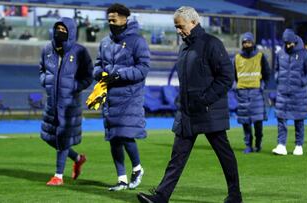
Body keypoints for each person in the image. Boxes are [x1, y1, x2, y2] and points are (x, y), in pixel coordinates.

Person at [137, 6, 242, 203]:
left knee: (224, 155)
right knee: (177, 156)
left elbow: (226, 77)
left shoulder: (212, 43)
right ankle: (161, 197)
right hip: (187, 111)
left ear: (193, 22)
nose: (178, 31)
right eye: (176, 27)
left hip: (209, 110)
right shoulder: (184, 46)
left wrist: (204, 99)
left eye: (180, 26)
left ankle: (235, 196)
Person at [93, 3, 150, 191]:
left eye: (114, 19)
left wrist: (118, 74)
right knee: (114, 138)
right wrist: (101, 75)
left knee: (125, 135)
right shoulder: (105, 43)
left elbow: (142, 69)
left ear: (125, 19)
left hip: (130, 96)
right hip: (110, 97)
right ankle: (122, 179)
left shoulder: (137, 41)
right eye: (109, 20)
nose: (111, 23)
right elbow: (97, 65)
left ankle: (138, 168)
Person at [39, 17, 93, 185]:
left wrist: (75, 86)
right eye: (58, 29)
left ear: (71, 32)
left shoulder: (80, 51)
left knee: (62, 137)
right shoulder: (47, 49)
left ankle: (58, 176)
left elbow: (88, 75)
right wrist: (45, 81)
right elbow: (42, 69)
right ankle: (77, 158)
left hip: (70, 103)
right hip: (52, 102)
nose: (60, 32)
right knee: (49, 137)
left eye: (64, 30)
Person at [272, 29, 307, 156]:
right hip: (283, 92)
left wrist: (301, 82)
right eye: (286, 43)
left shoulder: (305, 54)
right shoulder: (280, 53)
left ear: (295, 41)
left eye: (290, 43)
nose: (288, 45)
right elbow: (276, 69)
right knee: (281, 119)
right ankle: (281, 145)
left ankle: (298, 145)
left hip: (299, 93)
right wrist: (278, 78)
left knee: (299, 120)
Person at [234, 32, 270, 154]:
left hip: (256, 92)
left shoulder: (260, 56)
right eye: (244, 42)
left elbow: (267, 73)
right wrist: (236, 86)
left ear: (253, 43)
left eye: (249, 42)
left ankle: (258, 144)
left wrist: (262, 85)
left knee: (258, 122)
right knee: (245, 122)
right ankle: (248, 145)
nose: (246, 44)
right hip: (242, 92)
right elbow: (234, 75)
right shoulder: (237, 57)